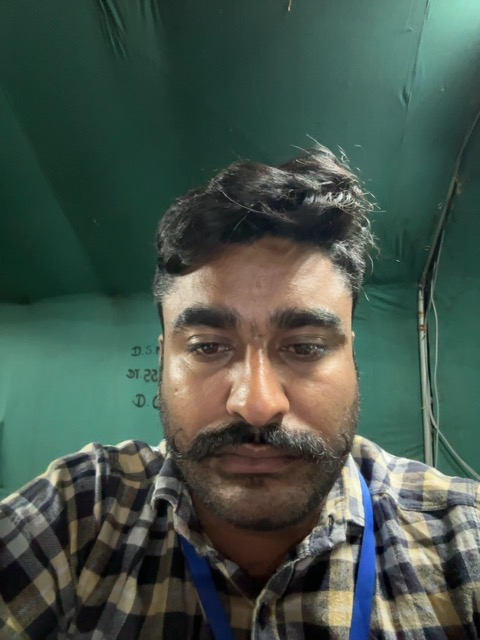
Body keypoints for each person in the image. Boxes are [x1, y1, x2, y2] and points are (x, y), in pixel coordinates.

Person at [0, 145, 479, 640]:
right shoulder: (81, 514)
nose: (257, 405)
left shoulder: (463, 538)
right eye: (208, 347)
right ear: (164, 360)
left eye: (305, 347)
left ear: (351, 356)